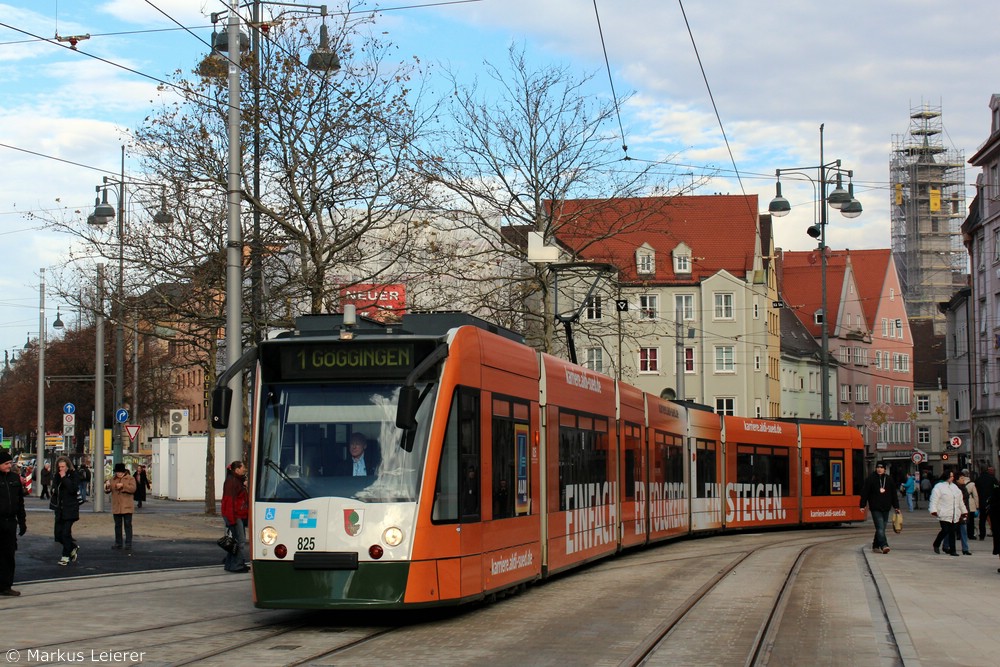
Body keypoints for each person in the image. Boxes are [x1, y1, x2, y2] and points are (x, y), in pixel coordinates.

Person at [0, 449, 27, 596]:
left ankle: (6, 585)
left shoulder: (15, 479)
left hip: (10, 522)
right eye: (6, 463)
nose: (9, 465)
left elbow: (20, 503)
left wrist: (22, 522)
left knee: (9, 555)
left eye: (10, 463)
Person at [859, 462, 901, 554]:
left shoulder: (889, 479)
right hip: (875, 507)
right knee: (880, 527)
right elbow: (865, 492)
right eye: (878, 467)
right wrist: (862, 505)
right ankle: (884, 545)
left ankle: (875, 545)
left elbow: (894, 494)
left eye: (881, 467)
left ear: (885, 469)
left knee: (881, 528)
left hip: (886, 507)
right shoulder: (870, 479)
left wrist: (896, 506)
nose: (879, 469)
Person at [50, 456, 80, 566]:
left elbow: (73, 489)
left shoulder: (73, 474)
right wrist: (53, 489)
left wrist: (64, 478)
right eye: (59, 467)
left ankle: (65, 556)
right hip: (59, 508)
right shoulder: (57, 476)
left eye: (63, 467)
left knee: (66, 533)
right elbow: (54, 487)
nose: (61, 469)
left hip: (70, 508)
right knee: (58, 535)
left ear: (67, 466)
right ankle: (73, 547)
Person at [929, 470, 967, 556]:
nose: (953, 478)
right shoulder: (939, 487)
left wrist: (964, 511)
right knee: (945, 530)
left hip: (954, 514)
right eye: (951, 476)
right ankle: (936, 544)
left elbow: (960, 501)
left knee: (952, 532)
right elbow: (934, 499)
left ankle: (953, 550)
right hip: (943, 513)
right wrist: (933, 510)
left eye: (953, 476)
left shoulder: (955, 487)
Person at [221, 461, 249, 573]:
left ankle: (230, 564)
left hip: (236, 515)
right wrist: (231, 519)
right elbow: (229, 501)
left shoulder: (235, 480)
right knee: (240, 541)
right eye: (243, 468)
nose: (244, 469)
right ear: (237, 469)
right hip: (235, 515)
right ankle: (237, 565)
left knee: (235, 541)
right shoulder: (233, 482)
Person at [104, 463, 136, 552]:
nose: (119, 474)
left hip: (127, 506)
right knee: (117, 526)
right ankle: (118, 543)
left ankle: (128, 544)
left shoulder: (130, 478)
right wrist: (107, 486)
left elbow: (133, 489)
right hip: (116, 506)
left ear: (124, 472)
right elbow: (107, 490)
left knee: (127, 525)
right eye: (117, 472)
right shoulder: (113, 479)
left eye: (120, 472)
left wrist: (123, 486)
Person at [976, 465, 998, 541]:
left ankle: (982, 535)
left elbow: (976, 491)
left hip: (982, 502)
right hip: (991, 502)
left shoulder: (978, 480)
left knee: (982, 519)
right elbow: (997, 489)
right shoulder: (992, 479)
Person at [960, 469, 980, 540]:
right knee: (971, 521)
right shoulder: (972, 484)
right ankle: (970, 534)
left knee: (961, 519)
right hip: (971, 504)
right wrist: (977, 505)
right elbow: (975, 495)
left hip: (961, 503)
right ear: (968, 474)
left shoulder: (959, 483)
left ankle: (959, 535)